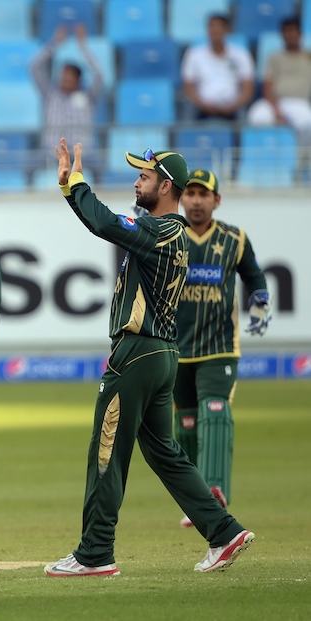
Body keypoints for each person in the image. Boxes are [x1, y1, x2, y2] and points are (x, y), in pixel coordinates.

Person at [44, 138, 254, 577]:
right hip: (162, 356)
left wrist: (75, 184)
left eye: (144, 176)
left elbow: (103, 223)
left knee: (107, 451)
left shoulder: (160, 232)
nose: (137, 182)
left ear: (166, 187)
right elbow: (106, 223)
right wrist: (71, 190)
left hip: (137, 354)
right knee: (165, 452)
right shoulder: (169, 233)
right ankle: (222, 531)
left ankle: (95, 553)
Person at [173, 169, 271, 529]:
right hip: (175, 347)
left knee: (214, 410)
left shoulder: (234, 238)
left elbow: (254, 275)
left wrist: (259, 300)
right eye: (191, 193)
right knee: (185, 425)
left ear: (217, 200)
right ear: (182, 198)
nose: (197, 200)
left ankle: (214, 488)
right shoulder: (169, 234)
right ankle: (193, 501)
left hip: (219, 347)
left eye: (204, 194)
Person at [31, 24, 103, 171]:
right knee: (30, 167)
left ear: (78, 80)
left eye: (69, 77)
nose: (64, 79)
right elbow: (34, 67)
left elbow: (99, 75)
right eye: (63, 75)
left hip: (83, 157)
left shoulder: (88, 96)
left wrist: (83, 47)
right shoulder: (50, 94)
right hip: (52, 155)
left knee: (100, 167)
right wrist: (53, 44)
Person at [246, 16, 311, 144]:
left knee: (308, 123)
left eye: (292, 31)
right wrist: (276, 110)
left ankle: (302, 160)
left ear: (300, 33)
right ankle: (264, 158)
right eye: (286, 31)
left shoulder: (308, 58)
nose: (289, 35)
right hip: (274, 103)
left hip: (300, 103)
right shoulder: (274, 58)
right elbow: (267, 86)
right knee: (257, 118)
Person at [181, 14, 255, 121]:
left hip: (232, 106)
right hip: (202, 106)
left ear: (227, 30)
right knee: (189, 108)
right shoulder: (194, 54)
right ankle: (187, 137)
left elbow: (247, 89)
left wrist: (233, 106)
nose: (215, 30)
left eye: (219, 27)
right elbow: (188, 88)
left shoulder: (241, 55)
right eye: (211, 26)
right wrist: (204, 105)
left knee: (243, 113)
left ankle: (243, 137)